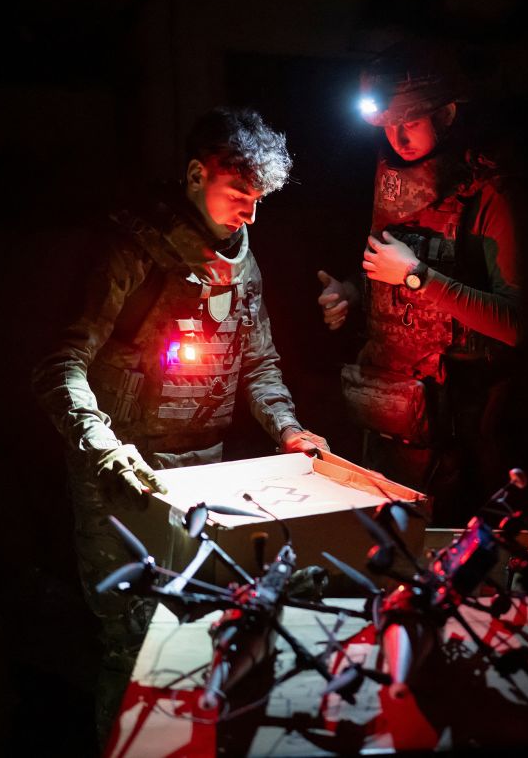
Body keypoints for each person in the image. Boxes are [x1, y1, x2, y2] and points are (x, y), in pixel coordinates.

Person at [32, 106, 328, 745]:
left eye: (259, 201)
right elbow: (60, 364)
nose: (250, 214)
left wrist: (288, 430)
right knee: (135, 643)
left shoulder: (244, 261)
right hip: (125, 476)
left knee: (199, 632)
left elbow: (261, 362)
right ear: (197, 175)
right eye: (239, 196)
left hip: (209, 474)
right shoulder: (130, 250)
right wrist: (104, 447)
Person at [318, 41, 526, 525]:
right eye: (388, 125)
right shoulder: (394, 179)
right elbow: (384, 265)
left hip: (455, 433)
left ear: (447, 114)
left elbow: (516, 324)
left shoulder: (489, 194)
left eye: (408, 123)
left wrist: (416, 277)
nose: (396, 137)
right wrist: (352, 290)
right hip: (386, 419)